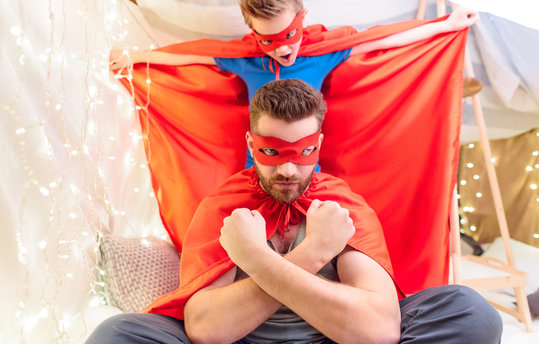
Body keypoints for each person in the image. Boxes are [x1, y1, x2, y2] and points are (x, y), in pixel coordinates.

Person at [87, 79, 502, 343]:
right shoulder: (224, 206)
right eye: (272, 152)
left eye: (303, 153)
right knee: (117, 334)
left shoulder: (341, 204)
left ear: (318, 147)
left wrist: (257, 258)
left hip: (332, 341)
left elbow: (377, 330)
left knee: (469, 311)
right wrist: (314, 253)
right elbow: (206, 329)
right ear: (251, 146)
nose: (287, 168)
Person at [110, 0, 478, 168]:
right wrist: (135, 57)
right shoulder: (246, 60)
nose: (282, 49)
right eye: (267, 40)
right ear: (251, 31)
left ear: (302, 17)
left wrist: (447, 23)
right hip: (256, 174)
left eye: (289, 35)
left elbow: (383, 39)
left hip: (309, 173)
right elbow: (189, 56)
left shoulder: (321, 53)